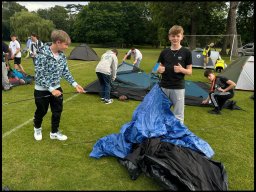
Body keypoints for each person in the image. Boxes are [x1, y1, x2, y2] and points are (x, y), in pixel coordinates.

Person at [33, 29, 85, 141]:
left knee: (57, 111)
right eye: (66, 44)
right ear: (58, 42)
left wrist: (75, 84)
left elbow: (65, 71)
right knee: (41, 111)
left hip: (57, 88)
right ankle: (37, 128)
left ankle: (54, 132)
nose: (67, 47)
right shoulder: (42, 54)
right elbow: (39, 75)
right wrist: (51, 89)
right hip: (41, 89)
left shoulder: (62, 56)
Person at [157, 25, 192, 124]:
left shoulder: (186, 52)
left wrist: (182, 70)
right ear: (169, 37)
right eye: (173, 36)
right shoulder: (164, 52)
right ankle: (162, 132)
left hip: (178, 87)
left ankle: (178, 134)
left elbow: (190, 71)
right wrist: (159, 69)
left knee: (178, 114)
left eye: (177, 36)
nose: (175, 38)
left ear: (181, 37)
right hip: (164, 87)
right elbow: (156, 68)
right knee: (162, 112)